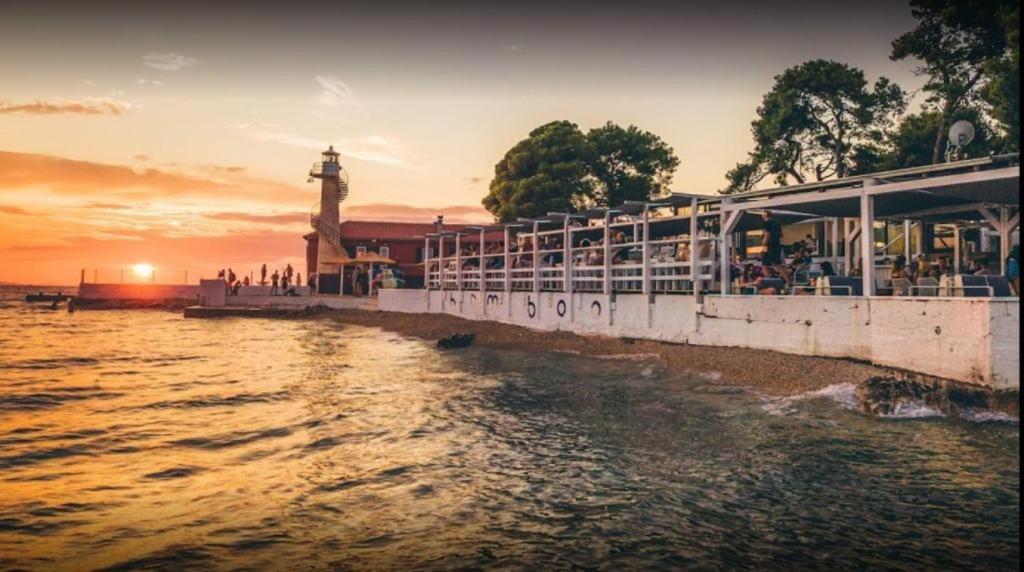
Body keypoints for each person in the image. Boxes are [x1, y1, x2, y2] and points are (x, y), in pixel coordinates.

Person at [761, 211, 790, 285]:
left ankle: (770, 284)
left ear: (766, 215)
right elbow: (781, 234)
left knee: (765, 266)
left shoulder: (766, 222)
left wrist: (764, 246)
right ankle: (788, 281)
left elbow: (767, 234)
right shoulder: (777, 223)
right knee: (778, 265)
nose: (761, 216)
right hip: (777, 245)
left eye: (762, 214)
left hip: (769, 246)